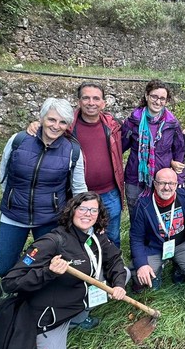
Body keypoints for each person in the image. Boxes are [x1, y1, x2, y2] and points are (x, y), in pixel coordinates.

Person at [0, 192, 129, 349]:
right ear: (72, 211)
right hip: (51, 318)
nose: (87, 214)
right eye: (82, 209)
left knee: (124, 273)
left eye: (93, 210)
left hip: (76, 301)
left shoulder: (95, 235)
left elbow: (114, 259)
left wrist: (119, 285)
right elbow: (10, 282)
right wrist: (48, 272)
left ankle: (79, 319)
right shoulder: (52, 242)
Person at [0, 98, 86, 277]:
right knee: (4, 266)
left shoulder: (72, 151)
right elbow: (4, 174)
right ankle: (9, 291)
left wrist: (84, 216)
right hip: (13, 215)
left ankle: (35, 298)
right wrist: (13, 197)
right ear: (42, 118)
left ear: (68, 125)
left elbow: (79, 188)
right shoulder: (18, 141)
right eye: (51, 119)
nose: (56, 126)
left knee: (45, 263)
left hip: (49, 218)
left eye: (62, 122)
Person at [25, 83, 125, 246]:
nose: (91, 102)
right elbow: (48, 131)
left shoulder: (114, 126)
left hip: (109, 193)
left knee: (111, 237)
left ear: (103, 103)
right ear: (79, 101)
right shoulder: (67, 126)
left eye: (96, 98)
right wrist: (37, 125)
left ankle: (113, 270)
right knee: (78, 237)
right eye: (86, 98)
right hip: (75, 194)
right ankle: (86, 268)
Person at [128, 168, 185, 291]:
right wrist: (142, 264)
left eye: (171, 183)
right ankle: (156, 274)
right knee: (140, 277)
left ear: (176, 184)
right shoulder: (143, 206)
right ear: (155, 184)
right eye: (162, 183)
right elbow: (136, 239)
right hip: (155, 248)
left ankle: (179, 267)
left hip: (181, 244)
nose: (167, 187)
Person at [122, 80, 185, 215]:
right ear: (146, 96)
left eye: (162, 98)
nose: (158, 102)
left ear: (166, 101)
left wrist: (178, 178)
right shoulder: (133, 121)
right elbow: (119, 147)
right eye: (154, 96)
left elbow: (179, 151)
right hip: (135, 178)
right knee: (137, 216)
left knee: (160, 217)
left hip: (162, 181)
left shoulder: (172, 124)